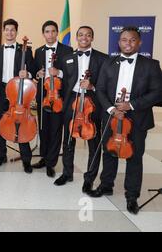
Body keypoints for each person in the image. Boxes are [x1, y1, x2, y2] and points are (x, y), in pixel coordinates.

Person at [88, 26, 162, 215]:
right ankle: (106, 185)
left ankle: (132, 196)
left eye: (132, 40)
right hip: (112, 116)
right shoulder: (108, 62)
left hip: (138, 117)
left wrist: (131, 105)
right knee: (110, 151)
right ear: (118, 42)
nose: (127, 43)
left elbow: (157, 92)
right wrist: (112, 109)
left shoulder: (151, 64)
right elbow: (101, 89)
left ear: (139, 42)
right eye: (124, 40)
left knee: (134, 157)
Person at [54, 26, 108, 192]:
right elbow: (64, 82)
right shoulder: (67, 57)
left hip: (92, 103)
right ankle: (67, 173)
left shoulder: (103, 58)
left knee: (93, 141)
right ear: (76, 37)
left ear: (92, 38)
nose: (84, 37)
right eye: (81, 35)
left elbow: (107, 83)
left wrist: (92, 86)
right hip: (72, 101)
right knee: (68, 139)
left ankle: (89, 178)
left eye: (88, 35)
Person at [0, 19, 35, 171]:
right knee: (0, 123)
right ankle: (1, 155)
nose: (9, 32)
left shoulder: (26, 50)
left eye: (12, 30)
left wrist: (27, 73)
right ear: (3, 31)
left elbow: (33, 70)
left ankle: (26, 159)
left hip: (18, 90)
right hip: (1, 90)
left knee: (21, 122)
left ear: (16, 32)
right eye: (7, 29)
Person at [32, 20, 73, 177]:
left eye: (53, 31)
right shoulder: (39, 51)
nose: (50, 34)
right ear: (43, 34)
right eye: (47, 31)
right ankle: (44, 157)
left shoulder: (67, 50)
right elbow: (36, 71)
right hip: (43, 96)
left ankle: (51, 162)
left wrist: (59, 73)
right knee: (43, 128)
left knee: (56, 130)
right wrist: (38, 74)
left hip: (58, 98)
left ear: (57, 33)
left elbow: (71, 73)